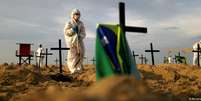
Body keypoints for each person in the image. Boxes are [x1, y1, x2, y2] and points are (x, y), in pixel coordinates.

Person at [64, 9, 86, 74]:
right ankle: (72, 69)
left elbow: (83, 33)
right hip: (72, 42)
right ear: (73, 15)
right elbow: (66, 32)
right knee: (72, 56)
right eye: (76, 14)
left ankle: (78, 69)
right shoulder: (69, 23)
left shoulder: (81, 23)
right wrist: (72, 30)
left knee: (81, 54)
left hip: (79, 41)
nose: (77, 15)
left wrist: (80, 36)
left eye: (78, 14)